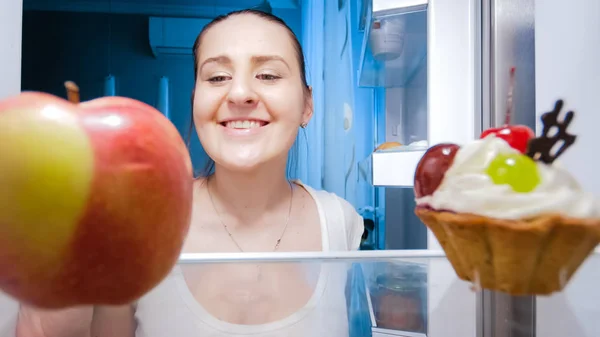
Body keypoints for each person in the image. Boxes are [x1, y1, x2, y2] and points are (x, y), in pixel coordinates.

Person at [15, 9, 364, 337]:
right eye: (217, 77)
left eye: (268, 75)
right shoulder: (140, 226)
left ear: (307, 104)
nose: (239, 93)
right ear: (196, 100)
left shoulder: (341, 222)